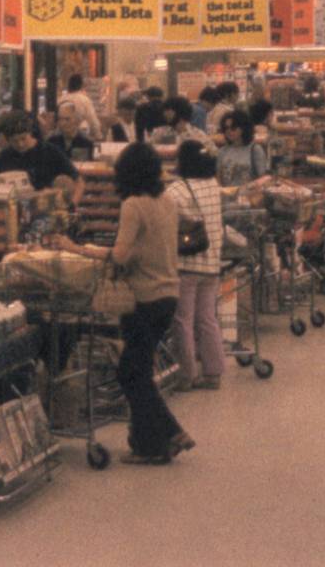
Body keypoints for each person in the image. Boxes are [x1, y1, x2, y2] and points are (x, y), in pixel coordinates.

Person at [51, 143, 193, 464]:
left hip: (143, 298)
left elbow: (120, 256)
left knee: (132, 373)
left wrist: (75, 248)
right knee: (136, 371)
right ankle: (156, 440)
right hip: (168, 294)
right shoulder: (167, 200)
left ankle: (162, 440)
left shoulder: (133, 205)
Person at [166, 141, 225, 392]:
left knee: (183, 321)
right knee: (207, 318)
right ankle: (213, 372)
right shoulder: (213, 185)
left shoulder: (176, 191)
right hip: (212, 263)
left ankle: (187, 375)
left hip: (186, 263)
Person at [0, 110, 83, 205]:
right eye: (14, 141)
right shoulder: (3, 157)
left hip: (46, 208)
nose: (20, 144)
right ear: (8, 140)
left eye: (23, 138)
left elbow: (79, 182)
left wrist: (72, 205)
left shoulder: (50, 151)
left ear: (30, 133)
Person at [216, 110, 269, 188]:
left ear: (243, 128)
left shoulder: (255, 150)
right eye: (226, 128)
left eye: (233, 127)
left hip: (249, 196)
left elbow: (264, 178)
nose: (229, 131)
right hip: (227, 196)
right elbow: (218, 178)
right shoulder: (222, 151)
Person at [58, 73, 101, 140]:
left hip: (61, 137)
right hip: (78, 137)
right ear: (81, 85)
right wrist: (98, 136)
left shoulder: (60, 99)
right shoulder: (84, 100)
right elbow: (93, 121)